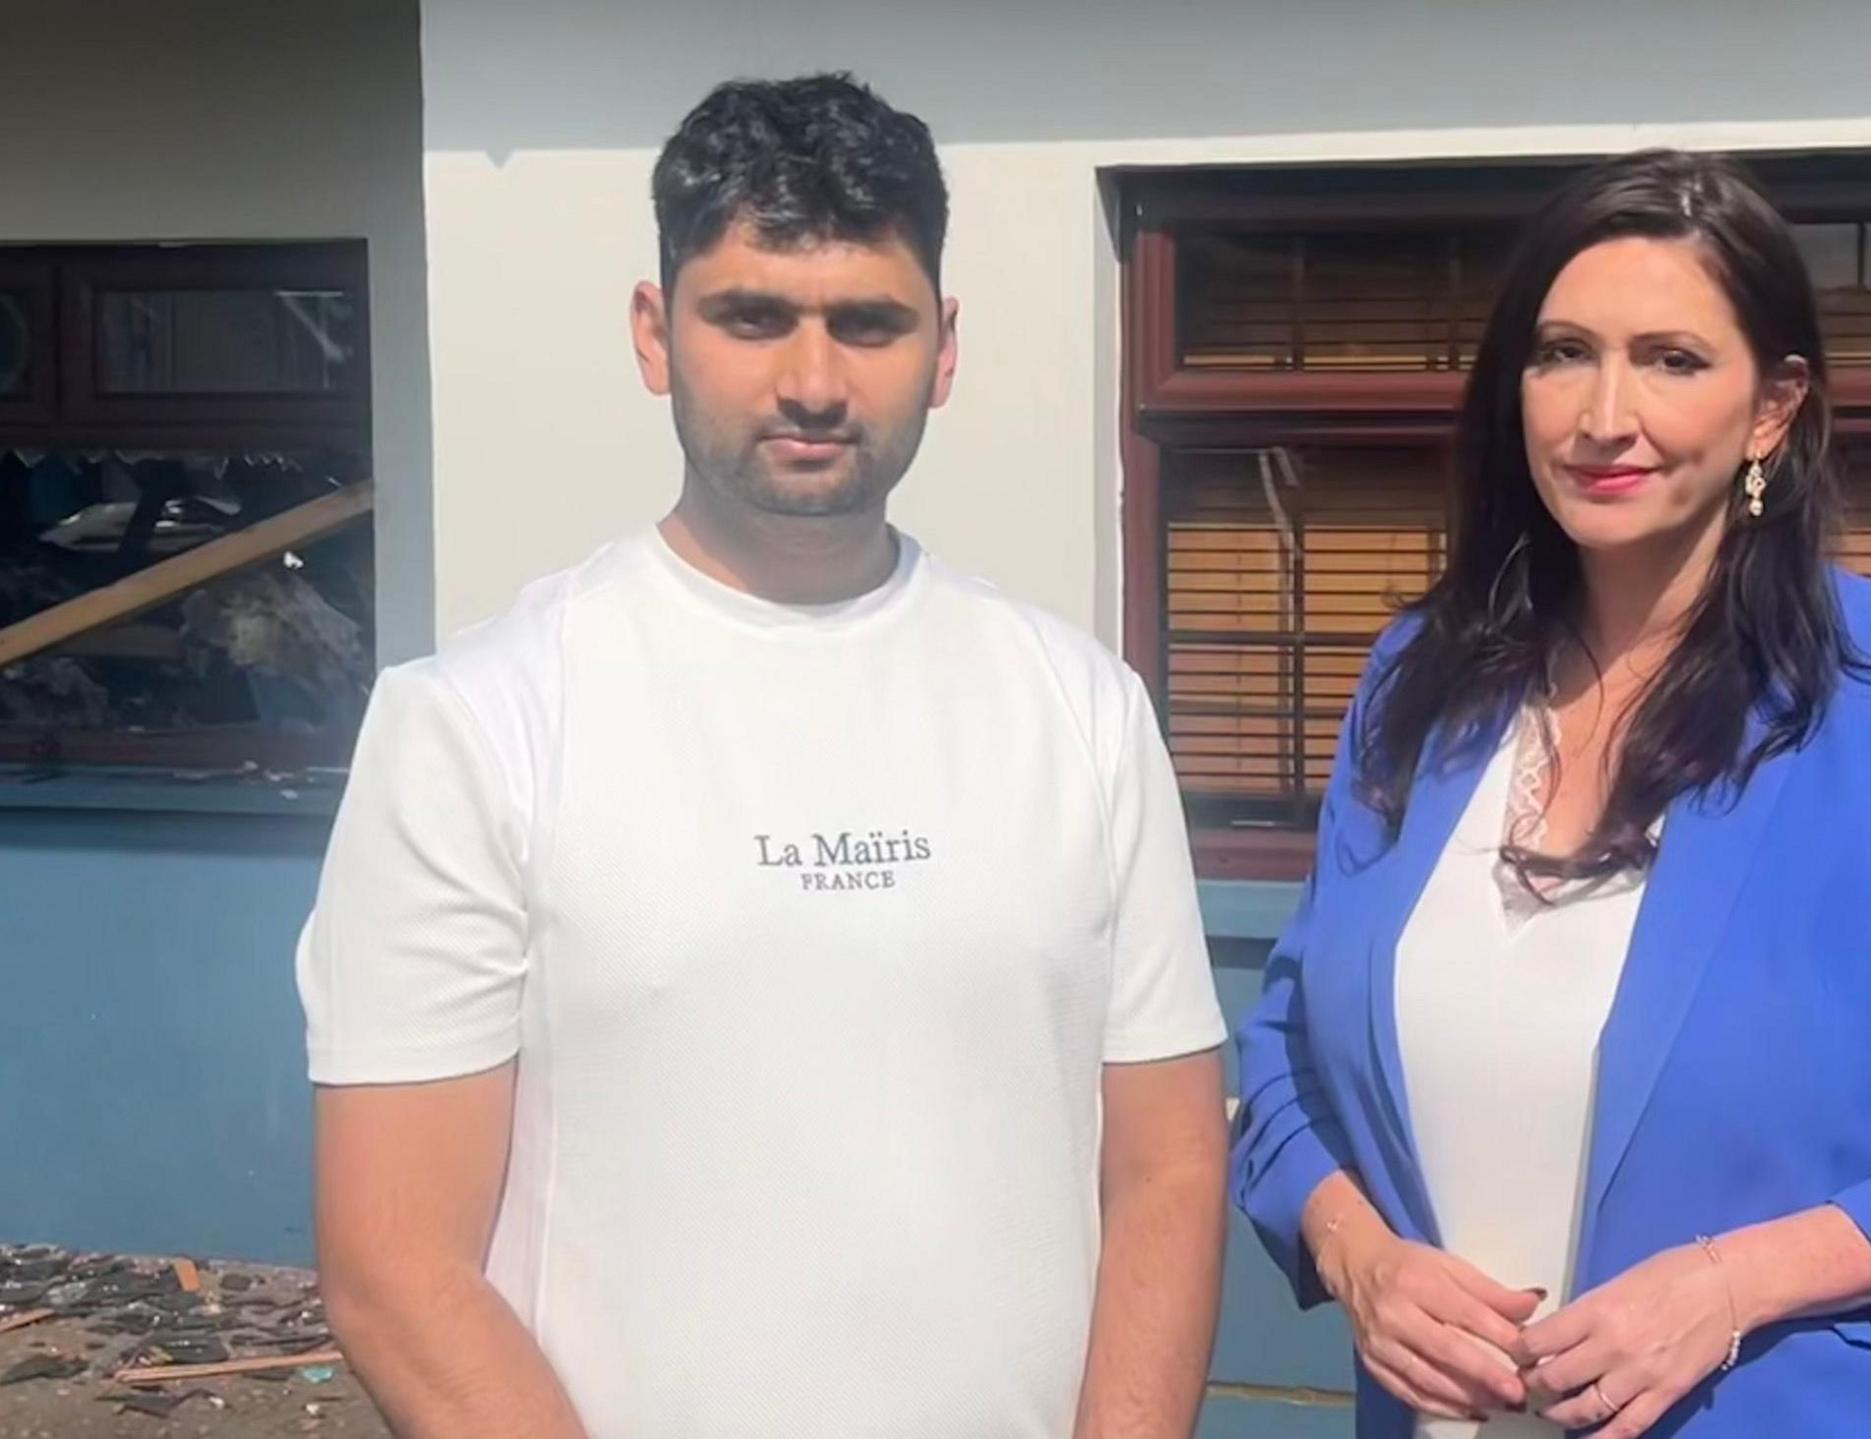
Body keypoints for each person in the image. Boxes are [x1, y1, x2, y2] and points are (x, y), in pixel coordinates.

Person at [299, 73, 1228, 1439]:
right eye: (751, 317)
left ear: (945, 344)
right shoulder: (477, 722)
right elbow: (394, 1270)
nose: (812, 382)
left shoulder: (1080, 709)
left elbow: (1169, 1175)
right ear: (653, 331)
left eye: (868, 324)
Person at [1230, 150, 1871, 1439]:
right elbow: (1285, 1050)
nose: (1605, 415)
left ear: (1772, 408)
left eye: (1671, 359)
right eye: (1561, 354)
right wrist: (1357, 1257)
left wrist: (1726, 1288)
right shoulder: (1418, 681)